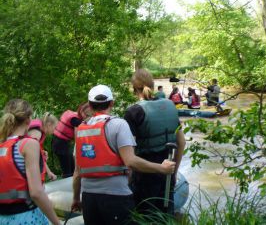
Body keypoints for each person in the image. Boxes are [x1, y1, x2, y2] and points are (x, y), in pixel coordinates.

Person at [72, 84, 175, 225]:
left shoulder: (81, 131)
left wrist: (76, 199)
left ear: (89, 105)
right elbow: (131, 161)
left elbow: (77, 173)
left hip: (89, 199)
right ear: (112, 103)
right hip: (116, 197)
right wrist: (161, 168)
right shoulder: (119, 125)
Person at [124, 69, 186, 215]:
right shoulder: (170, 106)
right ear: (152, 86)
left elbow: (130, 156)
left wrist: (129, 178)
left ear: (134, 89)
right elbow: (181, 143)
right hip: (168, 169)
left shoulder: (133, 112)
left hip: (144, 174)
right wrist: (173, 173)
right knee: (165, 216)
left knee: (144, 216)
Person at [0, 99, 61, 225]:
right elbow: (36, 192)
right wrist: (57, 222)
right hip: (25, 216)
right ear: (28, 120)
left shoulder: (2, 145)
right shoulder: (29, 144)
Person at [52, 102, 91, 178]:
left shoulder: (74, 115)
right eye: (87, 115)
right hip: (60, 145)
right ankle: (68, 188)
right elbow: (78, 139)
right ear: (82, 112)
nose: (87, 117)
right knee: (68, 170)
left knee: (71, 168)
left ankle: (71, 185)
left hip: (59, 143)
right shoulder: (75, 120)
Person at [28, 113, 58, 181]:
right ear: (49, 124)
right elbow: (31, 155)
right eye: (55, 127)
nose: (54, 131)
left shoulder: (39, 131)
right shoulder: (37, 133)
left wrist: (49, 172)